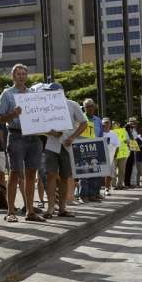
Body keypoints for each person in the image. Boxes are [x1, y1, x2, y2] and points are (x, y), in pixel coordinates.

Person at [0, 64, 44, 222]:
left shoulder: (33, 94)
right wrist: (13, 114)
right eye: (18, 74)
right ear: (13, 76)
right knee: (15, 173)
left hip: (34, 137)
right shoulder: (7, 94)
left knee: (31, 174)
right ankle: (10, 212)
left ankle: (30, 211)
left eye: (24, 74)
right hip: (16, 136)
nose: (21, 76)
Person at [39, 83, 86, 218]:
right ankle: (50, 208)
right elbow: (41, 125)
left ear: (60, 92)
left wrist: (72, 137)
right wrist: (50, 132)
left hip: (67, 145)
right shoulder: (46, 107)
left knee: (65, 176)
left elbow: (83, 123)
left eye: (51, 91)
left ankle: (62, 208)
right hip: (51, 145)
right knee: (50, 176)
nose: (49, 94)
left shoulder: (72, 105)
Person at [79, 99, 104, 202]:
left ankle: (92, 195)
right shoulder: (80, 118)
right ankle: (83, 196)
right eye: (87, 106)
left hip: (95, 148)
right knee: (84, 173)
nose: (90, 108)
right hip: (82, 148)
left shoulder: (98, 120)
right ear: (84, 108)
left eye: (91, 106)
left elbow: (101, 134)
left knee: (95, 173)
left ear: (95, 107)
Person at [101, 118, 121, 195]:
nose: (105, 125)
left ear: (110, 124)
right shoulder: (99, 133)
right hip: (101, 157)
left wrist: (115, 155)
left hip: (111, 157)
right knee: (99, 174)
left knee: (109, 174)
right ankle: (97, 190)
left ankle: (107, 189)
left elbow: (117, 145)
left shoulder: (113, 133)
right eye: (104, 123)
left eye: (107, 123)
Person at [111, 121, 130, 190]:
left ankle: (120, 184)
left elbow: (128, 141)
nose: (115, 124)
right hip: (113, 153)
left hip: (122, 154)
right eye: (113, 123)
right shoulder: (110, 132)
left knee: (122, 170)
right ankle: (113, 185)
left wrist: (126, 141)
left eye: (116, 123)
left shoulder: (124, 131)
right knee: (113, 170)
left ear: (119, 124)